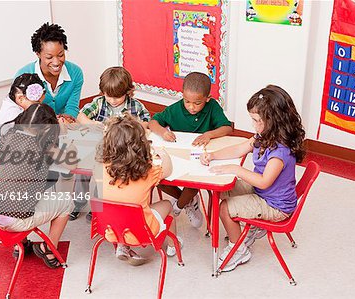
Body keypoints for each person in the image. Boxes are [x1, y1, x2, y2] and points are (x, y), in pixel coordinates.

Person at [200, 85, 306, 272]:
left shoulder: (279, 152)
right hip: (264, 193)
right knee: (222, 187)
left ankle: (239, 250)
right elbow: (240, 148)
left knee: (225, 208)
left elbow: (264, 181)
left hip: (275, 205)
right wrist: (213, 155)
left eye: (257, 120)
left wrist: (236, 169)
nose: (254, 125)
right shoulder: (264, 135)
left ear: (274, 120)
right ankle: (242, 231)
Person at [0, 103, 78, 268]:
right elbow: (71, 164)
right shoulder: (43, 145)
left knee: (20, 189)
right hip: (16, 220)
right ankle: (49, 249)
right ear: (46, 128)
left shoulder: (8, 136)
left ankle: (20, 243)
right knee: (67, 202)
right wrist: (65, 135)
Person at [148, 72, 232, 228]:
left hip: (200, 159)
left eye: (197, 103)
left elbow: (227, 128)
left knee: (193, 183)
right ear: (182, 96)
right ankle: (188, 202)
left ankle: (179, 206)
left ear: (207, 98)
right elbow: (153, 123)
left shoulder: (212, 107)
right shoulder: (175, 109)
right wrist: (163, 132)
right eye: (187, 101)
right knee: (157, 180)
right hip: (177, 158)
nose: (191, 107)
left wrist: (209, 134)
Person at [93, 114, 180, 266]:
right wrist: (164, 153)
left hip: (109, 229)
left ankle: (122, 245)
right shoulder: (147, 171)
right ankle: (173, 245)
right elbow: (168, 170)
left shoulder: (99, 167)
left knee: (121, 205)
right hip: (142, 233)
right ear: (140, 144)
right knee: (167, 204)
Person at [69, 66, 151, 221]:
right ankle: (78, 203)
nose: (113, 100)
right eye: (109, 96)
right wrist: (94, 125)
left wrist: (134, 127)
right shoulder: (99, 103)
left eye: (117, 97)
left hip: (119, 152)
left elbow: (146, 123)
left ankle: (97, 205)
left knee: (105, 176)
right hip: (97, 147)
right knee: (82, 174)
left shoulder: (135, 106)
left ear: (127, 91)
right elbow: (80, 117)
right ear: (103, 92)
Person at [15, 22, 83, 123]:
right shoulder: (23, 77)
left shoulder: (75, 73)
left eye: (61, 55)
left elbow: (72, 107)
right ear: (38, 54)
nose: (56, 62)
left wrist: (67, 119)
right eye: (49, 57)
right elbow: (23, 114)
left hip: (64, 125)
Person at [0, 73, 45, 148]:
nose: (38, 107)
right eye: (37, 103)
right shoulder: (14, 115)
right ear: (21, 98)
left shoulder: (14, 101)